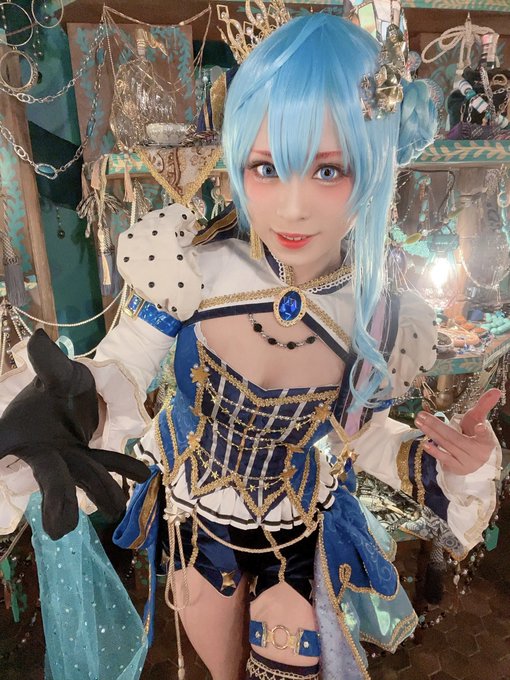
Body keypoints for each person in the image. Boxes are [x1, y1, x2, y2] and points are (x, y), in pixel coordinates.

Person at [0, 12, 502, 680]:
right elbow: (125, 362)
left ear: (377, 164)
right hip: (196, 521)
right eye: (267, 167)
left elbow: (366, 436)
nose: (292, 208)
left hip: (298, 527)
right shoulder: (190, 263)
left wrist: (457, 469)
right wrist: (73, 408)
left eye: (329, 170)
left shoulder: (380, 316)